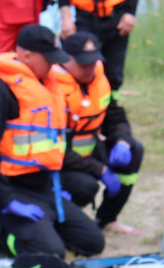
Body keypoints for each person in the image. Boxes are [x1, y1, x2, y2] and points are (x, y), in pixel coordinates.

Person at [0, 24, 105, 259]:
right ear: (26, 55)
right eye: (48, 59)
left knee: (93, 243)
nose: (53, 65)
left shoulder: (45, 83)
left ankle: (41, 229)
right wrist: (6, 199)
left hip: (44, 188)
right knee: (51, 253)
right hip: (9, 192)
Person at [57, 31, 144, 234]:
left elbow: (116, 117)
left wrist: (122, 141)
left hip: (91, 151)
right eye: (83, 63)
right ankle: (62, 221)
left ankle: (108, 218)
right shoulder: (53, 89)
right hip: (63, 162)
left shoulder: (98, 81)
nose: (89, 68)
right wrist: (100, 170)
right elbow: (56, 150)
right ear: (66, 60)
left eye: (92, 62)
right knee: (86, 186)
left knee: (134, 149)